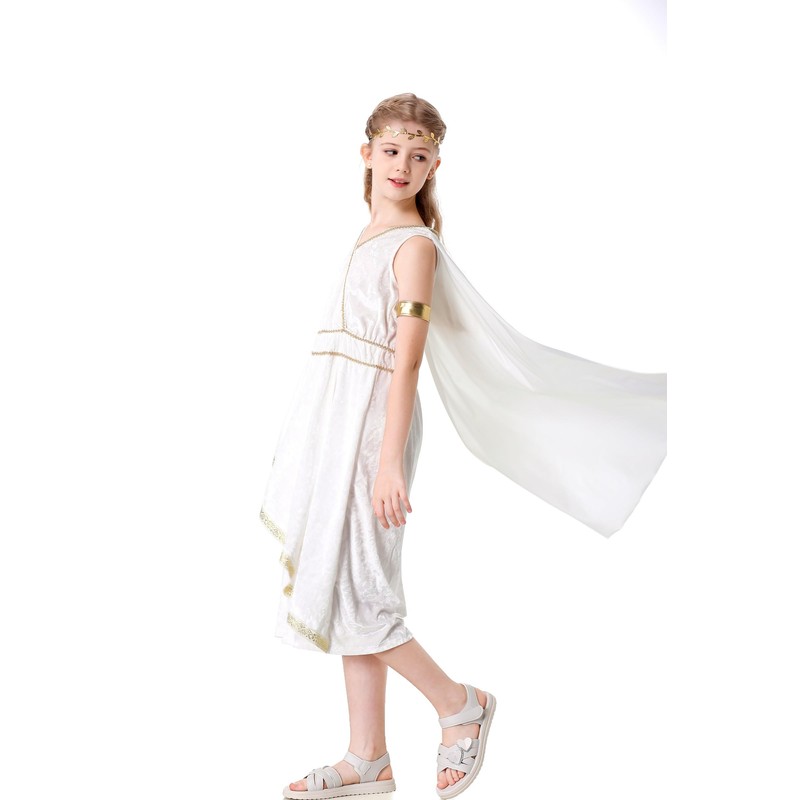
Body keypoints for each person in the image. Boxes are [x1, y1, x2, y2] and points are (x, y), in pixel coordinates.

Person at [259, 92, 666, 799]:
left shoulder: (414, 246)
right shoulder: (369, 234)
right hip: (340, 425)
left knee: (364, 591)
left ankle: (459, 705)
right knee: (347, 585)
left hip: (372, 431)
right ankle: (368, 757)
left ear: (434, 166)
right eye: (391, 150)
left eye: (418, 155)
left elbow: (406, 361)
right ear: (366, 154)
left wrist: (388, 461)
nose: (402, 165)